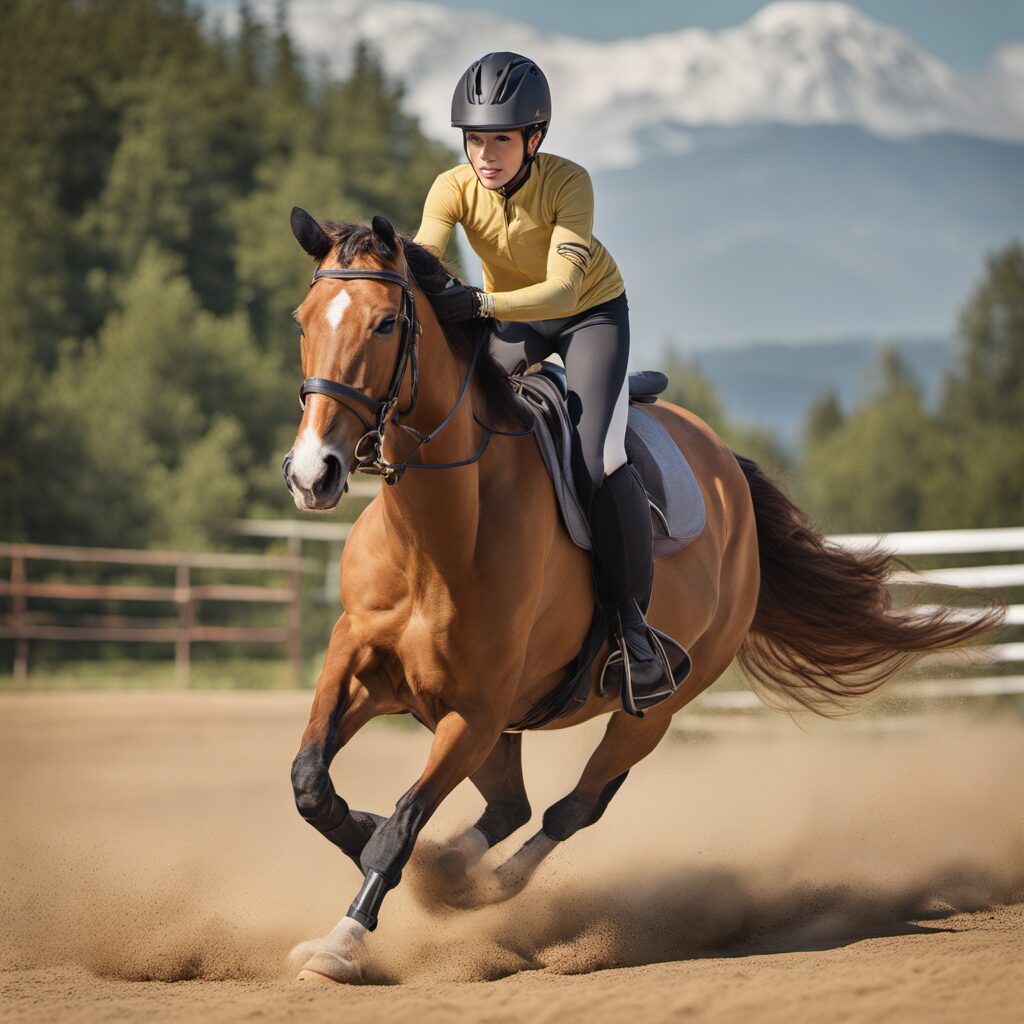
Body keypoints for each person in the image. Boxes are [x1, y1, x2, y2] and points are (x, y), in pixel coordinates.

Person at [413, 52, 674, 712]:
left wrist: (478, 304)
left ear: (534, 138)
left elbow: (560, 289)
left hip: (589, 315)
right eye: (475, 139)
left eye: (501, 139)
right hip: (514, 321)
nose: (486, 155)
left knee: (597, 459)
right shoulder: (451, 187)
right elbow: (425, 258)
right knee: (463, 415)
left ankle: (632, 630)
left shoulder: (569, 182)